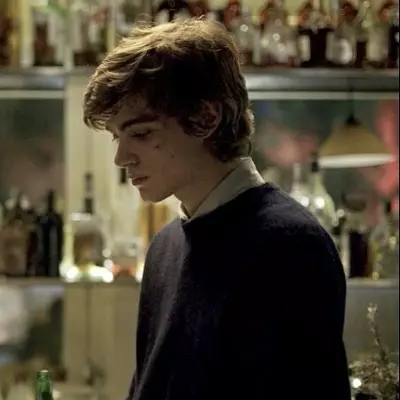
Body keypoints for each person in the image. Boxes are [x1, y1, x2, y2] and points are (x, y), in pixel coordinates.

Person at [83, 19, 351, 400]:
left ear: (207, 118)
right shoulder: (164, 248)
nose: (121, 157)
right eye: (117, 137)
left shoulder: (291, 246)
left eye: (141, 133)